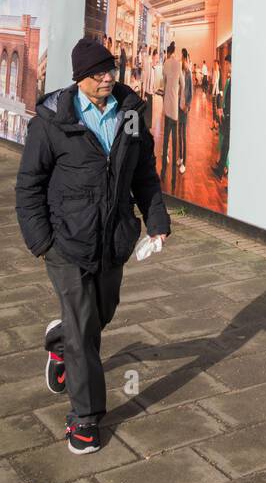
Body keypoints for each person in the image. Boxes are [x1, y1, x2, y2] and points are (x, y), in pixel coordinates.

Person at [14, 37, 170, 455]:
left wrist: (156, 221)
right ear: (79, 78)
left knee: (102, 312)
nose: (107, 78)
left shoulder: (132, 113)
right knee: (85, 331)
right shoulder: (52, 120)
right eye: (98, 72)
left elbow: (144, 175)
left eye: (110, 69)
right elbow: (29, 185)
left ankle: (59, 344)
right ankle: (84, 419)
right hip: (65, 241)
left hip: (113, 237)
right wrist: (41, 241)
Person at [161, 41, 182, 176]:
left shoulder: (166, 64)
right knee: (174, 135)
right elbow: (182, 84)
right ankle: (174, 159)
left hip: (167, 104)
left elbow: (164, 83)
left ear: (168, 53)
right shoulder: (179, 64)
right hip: (175, 106)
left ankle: (165, 156)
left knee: (165, 134)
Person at [211, 54, 231, 181]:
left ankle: (221, 170)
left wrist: (224, 112)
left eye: (228, 64)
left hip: (228, 117)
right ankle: (221, 166)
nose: (227, 66)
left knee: (226, 144)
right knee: (224, 143)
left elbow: (229, 100)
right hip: (226, 115)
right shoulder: (229, 78)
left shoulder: (232, 79)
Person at [178, 48, 192, 176]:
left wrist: (187, 106)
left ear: (186, 59)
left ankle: (185, 163)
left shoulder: (188, 73)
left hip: (185, 108)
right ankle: (180, 157)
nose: (181, 59)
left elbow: (190, 92)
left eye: (182, 58)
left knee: (183, 135)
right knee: (179, 133)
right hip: (179, 106)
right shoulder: (181, 72)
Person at [211, 58, 221, 130]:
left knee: (214, 109)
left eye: (215, 64)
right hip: (217, 92)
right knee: (215, 108)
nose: (214, 65)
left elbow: (214, 83)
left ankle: (215, 124)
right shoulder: (218, 71)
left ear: (218, 64)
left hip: (215, 92)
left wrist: (212, 92)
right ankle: (214, 123)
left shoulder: (215, 72)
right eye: (214, 64)